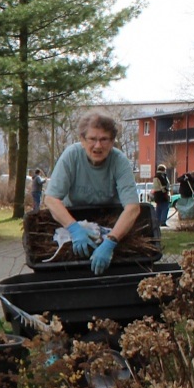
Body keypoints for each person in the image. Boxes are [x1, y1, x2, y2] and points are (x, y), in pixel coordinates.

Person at [43, 111, 141, 276]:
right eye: (92, 139)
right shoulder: (71, 156)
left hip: (109, 221)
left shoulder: (119, 161)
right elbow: (51, 199)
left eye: (104, 139)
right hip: (73, 219)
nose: (98, 146)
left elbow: (132, 208)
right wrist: (74, 228)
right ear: (82, 140)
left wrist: (111, 241)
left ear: (111, 142)